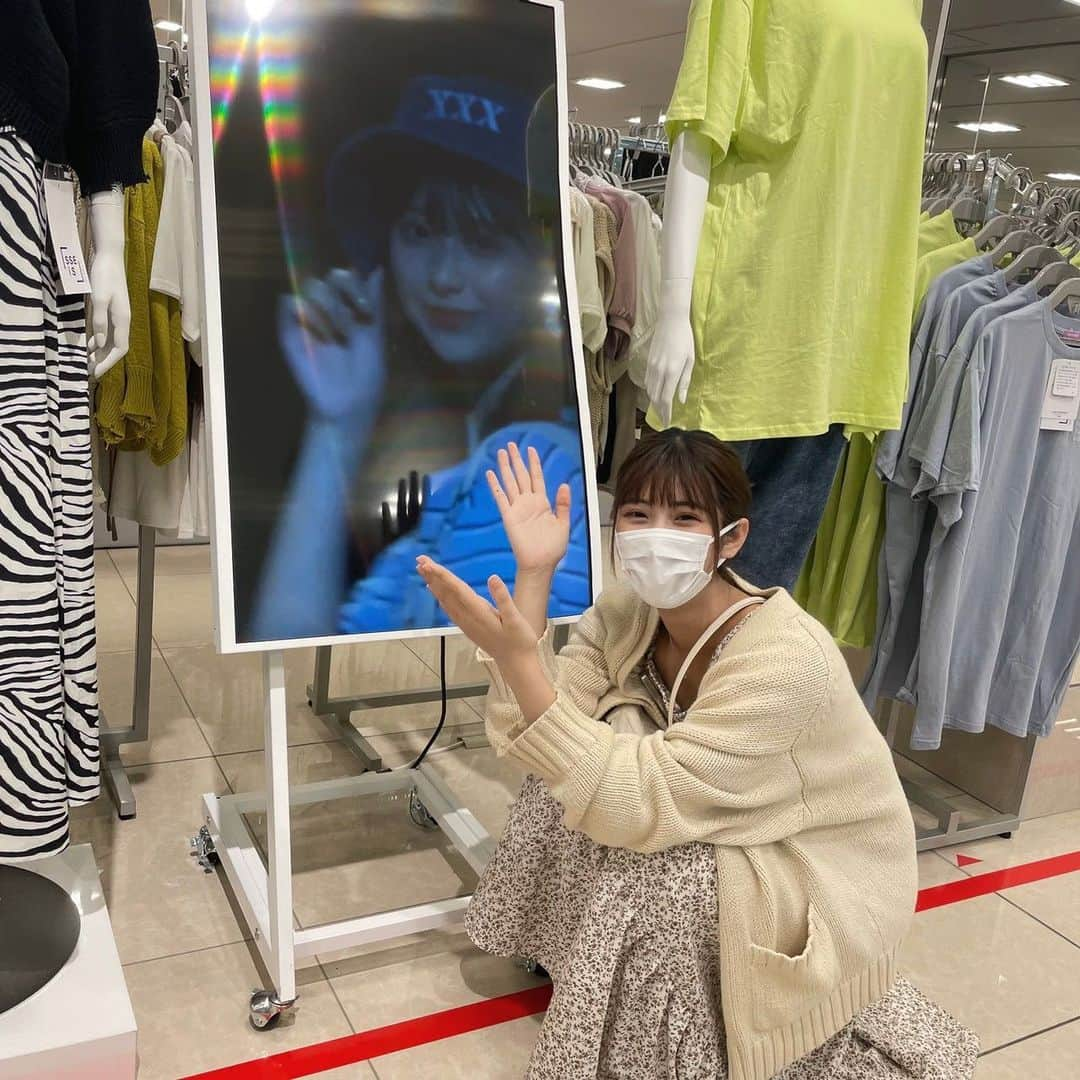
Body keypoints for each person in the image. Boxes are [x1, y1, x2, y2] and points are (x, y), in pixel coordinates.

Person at [417, 430, 980, 1080]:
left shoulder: (784, 658)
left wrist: (521, 663)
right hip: (714, 807)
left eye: (684, 518)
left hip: (811, 860)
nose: (658, 535)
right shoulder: (628, 609)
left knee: (653, 886)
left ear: (731, 538)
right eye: (638, 515)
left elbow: (638, 801)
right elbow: (537, 734)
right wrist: (536, 581)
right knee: (560, 778)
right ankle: (581, 968)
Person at [250, 75, 589, 641]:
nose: (442, 278)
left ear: (541, 259)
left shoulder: (539, 457)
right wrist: (339, 418)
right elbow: (301, 632)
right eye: (420, 230)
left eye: (483, 241)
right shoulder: (415, 406)